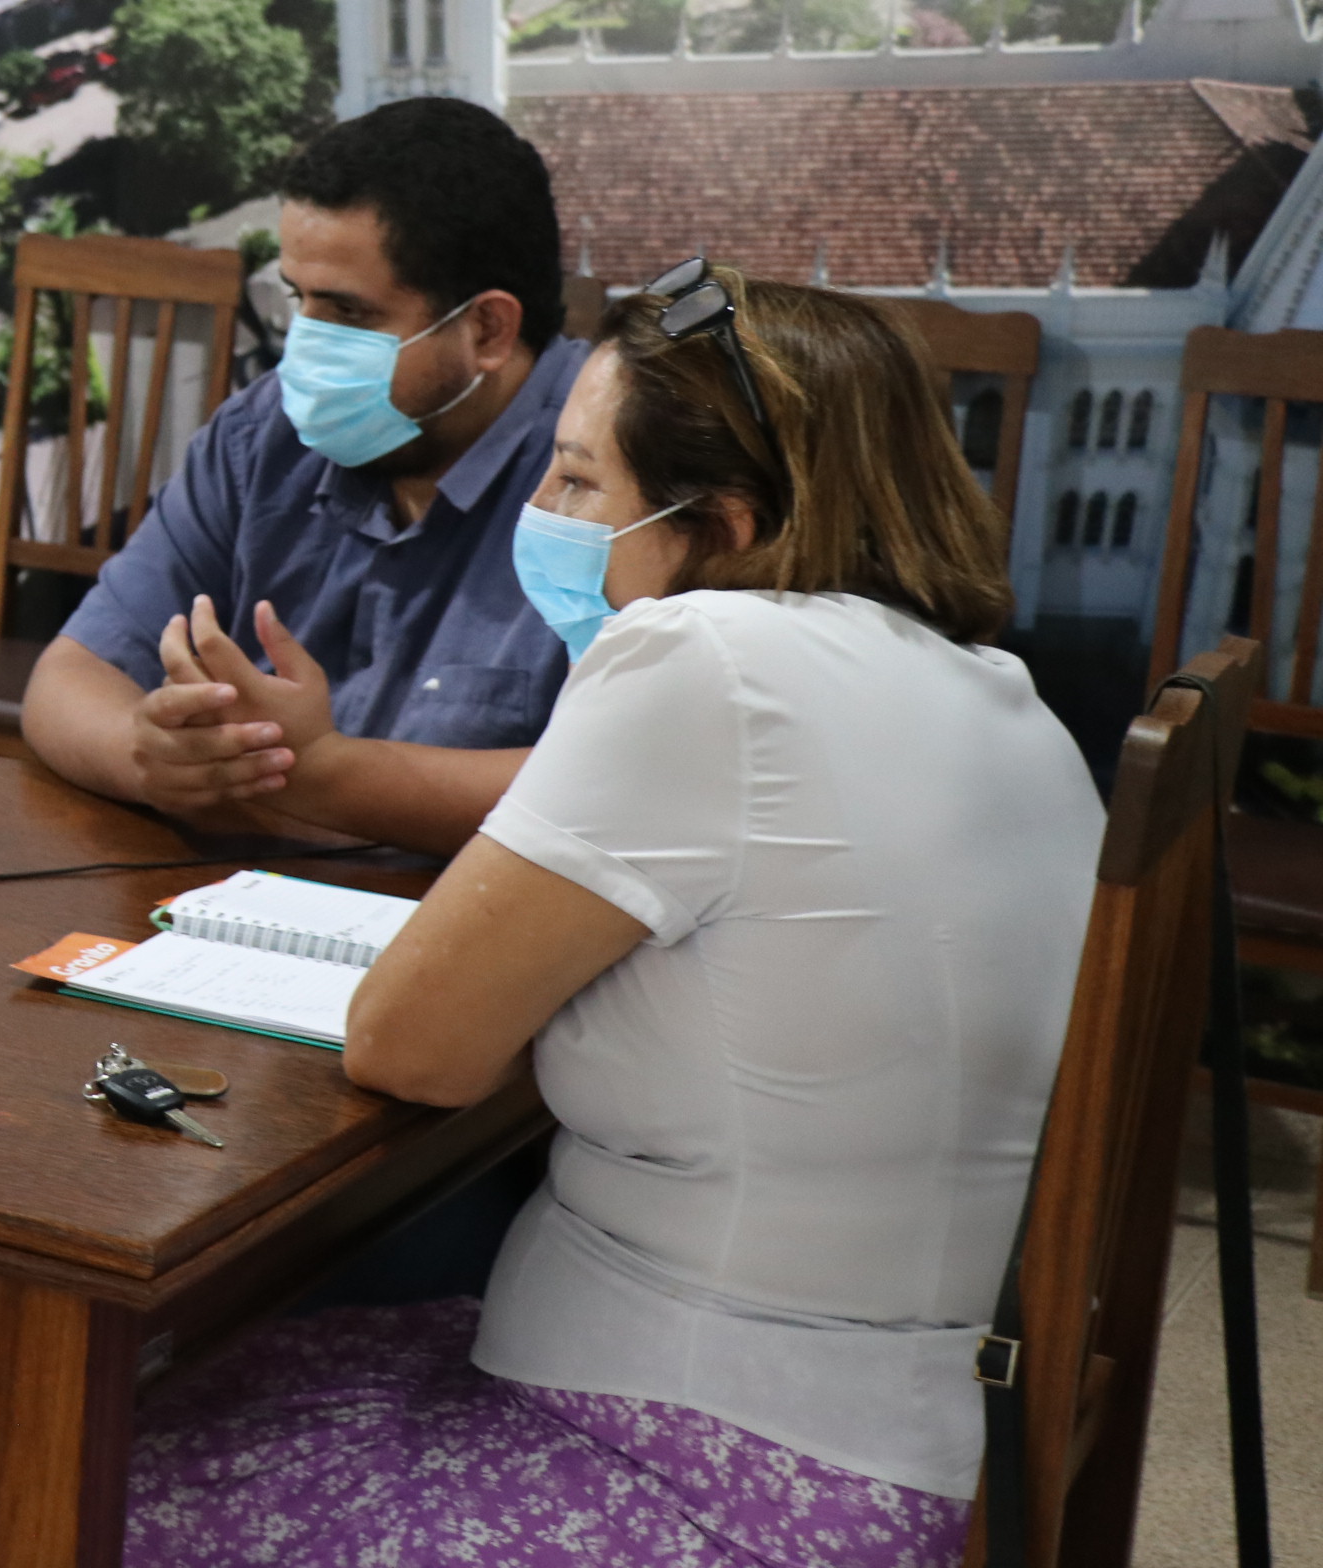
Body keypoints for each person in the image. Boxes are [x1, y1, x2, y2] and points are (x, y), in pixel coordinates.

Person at [124, 269, 1101, 1568]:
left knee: (110, 1477)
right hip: (888, 1446)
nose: (539, 516)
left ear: (729, 527)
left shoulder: (703, 657)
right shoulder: (1008, 705)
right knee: (222, 1378)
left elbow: (407, 1043)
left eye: (578, 485)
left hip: (704, 1463)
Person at [21, 97, 585, 859]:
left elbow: (630, 795)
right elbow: (71, 674)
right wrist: (155, 760)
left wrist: (323, 776)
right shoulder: (264, 435)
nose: (306, 350)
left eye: (347, 313)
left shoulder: (621, 477)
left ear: (487, 329)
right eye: (299, 301)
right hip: (241, 910)